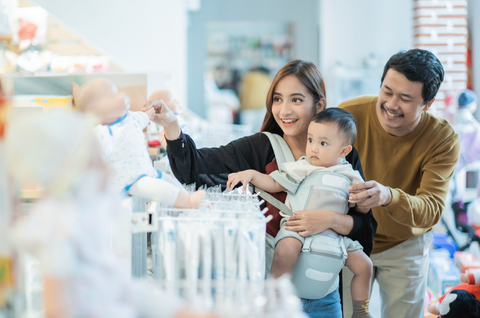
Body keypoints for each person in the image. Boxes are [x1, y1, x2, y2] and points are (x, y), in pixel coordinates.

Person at [147, 59, 377, 318]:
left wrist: (331, 219)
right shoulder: (259, 148)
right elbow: (194, 170)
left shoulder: (342, 155)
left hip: (325, 294)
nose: (284, 110)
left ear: (319, 104)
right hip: (272, 295)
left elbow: (365, 228)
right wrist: (170, 125)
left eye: (297, 100)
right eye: (278, 99)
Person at [6, 111, 216, 318]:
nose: (108, 169)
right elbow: (58, 308)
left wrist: (180, 312)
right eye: (98, 161)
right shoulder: (56, 223)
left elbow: (123, 289)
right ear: (70, 169)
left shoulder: (92, 211)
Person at [338, 49, 461, 318]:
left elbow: (431, 209)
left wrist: (388, 197)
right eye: (387, 91)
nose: (392, 104)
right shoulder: (348, 116)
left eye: (405, 98)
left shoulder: (442, 138)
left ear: (427, 104)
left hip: (405, 244)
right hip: (351, 239)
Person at [226, 108, 373, 318]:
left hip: (335, 237)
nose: (313, 148)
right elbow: (274, 183)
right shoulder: (303, 166)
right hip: (298, 229)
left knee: (365, 266)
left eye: (323, 143)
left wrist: (363, 200)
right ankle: (276, 300)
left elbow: (361, 209)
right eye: (311, 140)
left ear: (344, 151)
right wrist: (251, 175)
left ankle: (361, 311)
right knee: (284, 251)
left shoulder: (351, 174)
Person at [73, 78, 205, 208]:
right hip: (130, 180)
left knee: (169, 181)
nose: (122, 94)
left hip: (147, 170)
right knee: (158, 189)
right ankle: (188, 202)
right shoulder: (101, 133)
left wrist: (152, 111)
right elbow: (94, 158)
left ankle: (187, 202)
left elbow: (146, 116)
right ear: (99, 109)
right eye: (114, 95)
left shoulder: (131, 117)